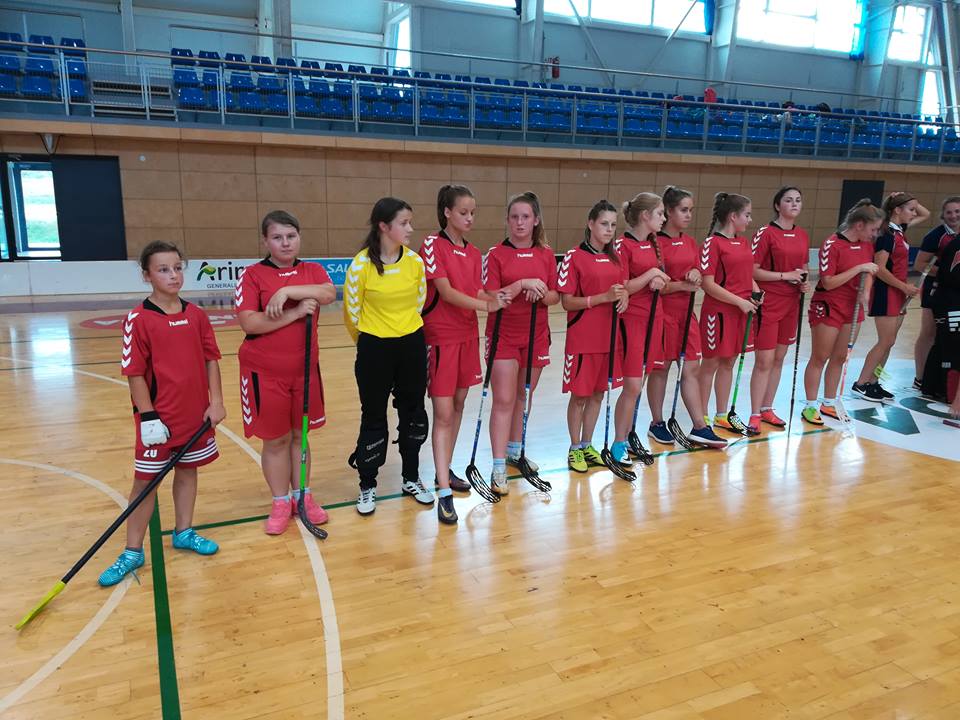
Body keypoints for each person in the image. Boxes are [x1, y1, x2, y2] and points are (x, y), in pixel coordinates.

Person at [99, 241, 225, 587]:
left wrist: (216, 400)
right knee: (145, 483)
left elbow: (211, 359)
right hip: (158, 420)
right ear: (147, 275)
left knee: (187, 471)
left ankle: (183, 531)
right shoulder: (138, 319)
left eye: (177, 268)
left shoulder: (196, 315)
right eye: (163, 269)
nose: (173, 275)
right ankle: (132, 551)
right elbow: (134, 373)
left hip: (195, 415)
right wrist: (149, 417)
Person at [236, 211, 336, 535]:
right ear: (265, 241)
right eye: (277, 237)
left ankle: (302, 496)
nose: (285, 243)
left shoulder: (312, 270)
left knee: (299, 436)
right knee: (276, 440)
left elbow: (328, 293)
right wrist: (294, 313)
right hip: (264, 373)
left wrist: (287, 292)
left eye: (291, 236)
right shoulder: (252, 275)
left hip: (304, 372)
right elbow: (250, 323)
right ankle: (280, 501)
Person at [420, 185, 508, 524]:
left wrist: (501, 295)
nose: (470, 218)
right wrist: (487, 305)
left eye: (473, 213)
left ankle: (444, 470)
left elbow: (477, 291)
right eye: (463, 212)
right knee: (443, 413)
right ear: (447, 212)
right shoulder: (432, 244)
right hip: (441, 338)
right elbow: (446, 292)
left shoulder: (474, 253)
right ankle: (443, 491)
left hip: (468, 337)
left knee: (457, 406)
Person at [344, 198, 432, 517]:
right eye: (404, 223)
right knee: (373, 416)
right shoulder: (360, 266)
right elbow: (352, 313)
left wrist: (402, 330)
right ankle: (367, 484)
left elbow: (419, 301)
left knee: (414, 414)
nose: (410, 228)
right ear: (384, 226)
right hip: (374, 348)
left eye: (410, 222)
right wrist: (373, 339)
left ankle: (411, 478)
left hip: (411, 344)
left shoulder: (415, 262)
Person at [482, 191, 560, 495]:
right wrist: (520, 285)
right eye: (514, 217)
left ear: (536, 220)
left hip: (536, 335)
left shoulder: (545, 254)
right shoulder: (496, 255)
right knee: (503, 400)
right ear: (507, 220)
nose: (519, 222)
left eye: (525, 217)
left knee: (522, 397)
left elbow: (555, 296)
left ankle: (515, 452)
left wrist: (541, 294)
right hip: (504, 336)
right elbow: (492, 297)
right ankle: (498, 466)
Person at [647, 186, 726, 448]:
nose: (689, 215)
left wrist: (695, 273)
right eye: (683, 210)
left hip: (686, 315)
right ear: (668, 212)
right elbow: (656, 285)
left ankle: (699, 427)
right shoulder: (655, 243)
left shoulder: (691, 242)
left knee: (692, 367)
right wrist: (683, 284)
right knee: (661, 369)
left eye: (691, 210)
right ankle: (657, 423)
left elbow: (699, 272)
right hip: (663, 315)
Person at [557, 200, 629, 473]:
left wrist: (624, 297)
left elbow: (623, 288)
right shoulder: (574, 257)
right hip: (583, 339)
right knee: (580, 396)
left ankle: (588, 444)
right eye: (603, 224)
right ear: (590, 224)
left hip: (609, 339)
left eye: (613, 225)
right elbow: (567, 302)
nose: (609, 229)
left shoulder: (616, 258)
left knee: (598, 394)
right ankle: (574, 448)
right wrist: (602, 298)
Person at [801, 200, 881, 424]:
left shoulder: (867, 245)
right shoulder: (832, 244)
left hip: (852, 308)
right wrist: (858, 268)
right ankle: (810, 405)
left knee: (839, 357)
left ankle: (828, 402)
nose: (875, 234)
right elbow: (828, 282)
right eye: (873, 229)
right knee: (820, 357)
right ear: (859, 225)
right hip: (829, 305)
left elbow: (870, 271)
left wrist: (866, 291)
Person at [612, 193, 671, 465]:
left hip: (654, 318)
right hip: (633, 321)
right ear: (645, 216)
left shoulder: (653, 243)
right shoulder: (623, 245)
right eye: (660, 213)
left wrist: (659, 280)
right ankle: (618, 443)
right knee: (632, 385)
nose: (664, 218)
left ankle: (628, 436)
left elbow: (662, 279)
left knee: (641, 383)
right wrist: (651, 276)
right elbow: (624, 286)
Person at [853, 192, 930, 401]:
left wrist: (904, 197)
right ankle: (861, 383)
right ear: (897, 210)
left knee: (890, 342)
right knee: (885, 341)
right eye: (910, 209)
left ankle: (874, 381)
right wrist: (904, 287)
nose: (914, 213)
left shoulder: (899, 230)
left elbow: (926, 214)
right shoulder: (886, 234)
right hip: (886, 292)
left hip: (898, 293)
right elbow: (879, 268)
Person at [698, 192, 762, 433]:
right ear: (733, 216)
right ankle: (701, 417)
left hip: (741, 312)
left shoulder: (743, 243)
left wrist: (755, 291)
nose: (750, 220)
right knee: (711, 364)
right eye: (747, 215)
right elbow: (708, 284)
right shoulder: (712, 243)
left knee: (729, 363)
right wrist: (738, 301)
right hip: (718, 314)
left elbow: (746, 274)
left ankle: (721, 414)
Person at [748, 187, 811, 430]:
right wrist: (786, 275)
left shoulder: (802, 234)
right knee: (764, 360)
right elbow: (752, 271)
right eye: (788, 200)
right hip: (769, 303)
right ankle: (754, 413)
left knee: (779, 358)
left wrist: (804, 281)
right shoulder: (765, 233)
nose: (794, 204)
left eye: (798, 200)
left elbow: (803, 267)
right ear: (777, 205)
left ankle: (767, 408)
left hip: (791, 303)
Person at [913, 196, 960, 388]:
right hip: (935, 290)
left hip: (956, 292)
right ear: (943, 215)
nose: (953, 215)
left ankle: (944, 379)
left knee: (952, 335)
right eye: (949, 212)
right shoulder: (936, 236)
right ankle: (920, 377)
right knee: (929, 332)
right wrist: (947, 272)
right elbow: (919, 264)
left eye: (957, 211)